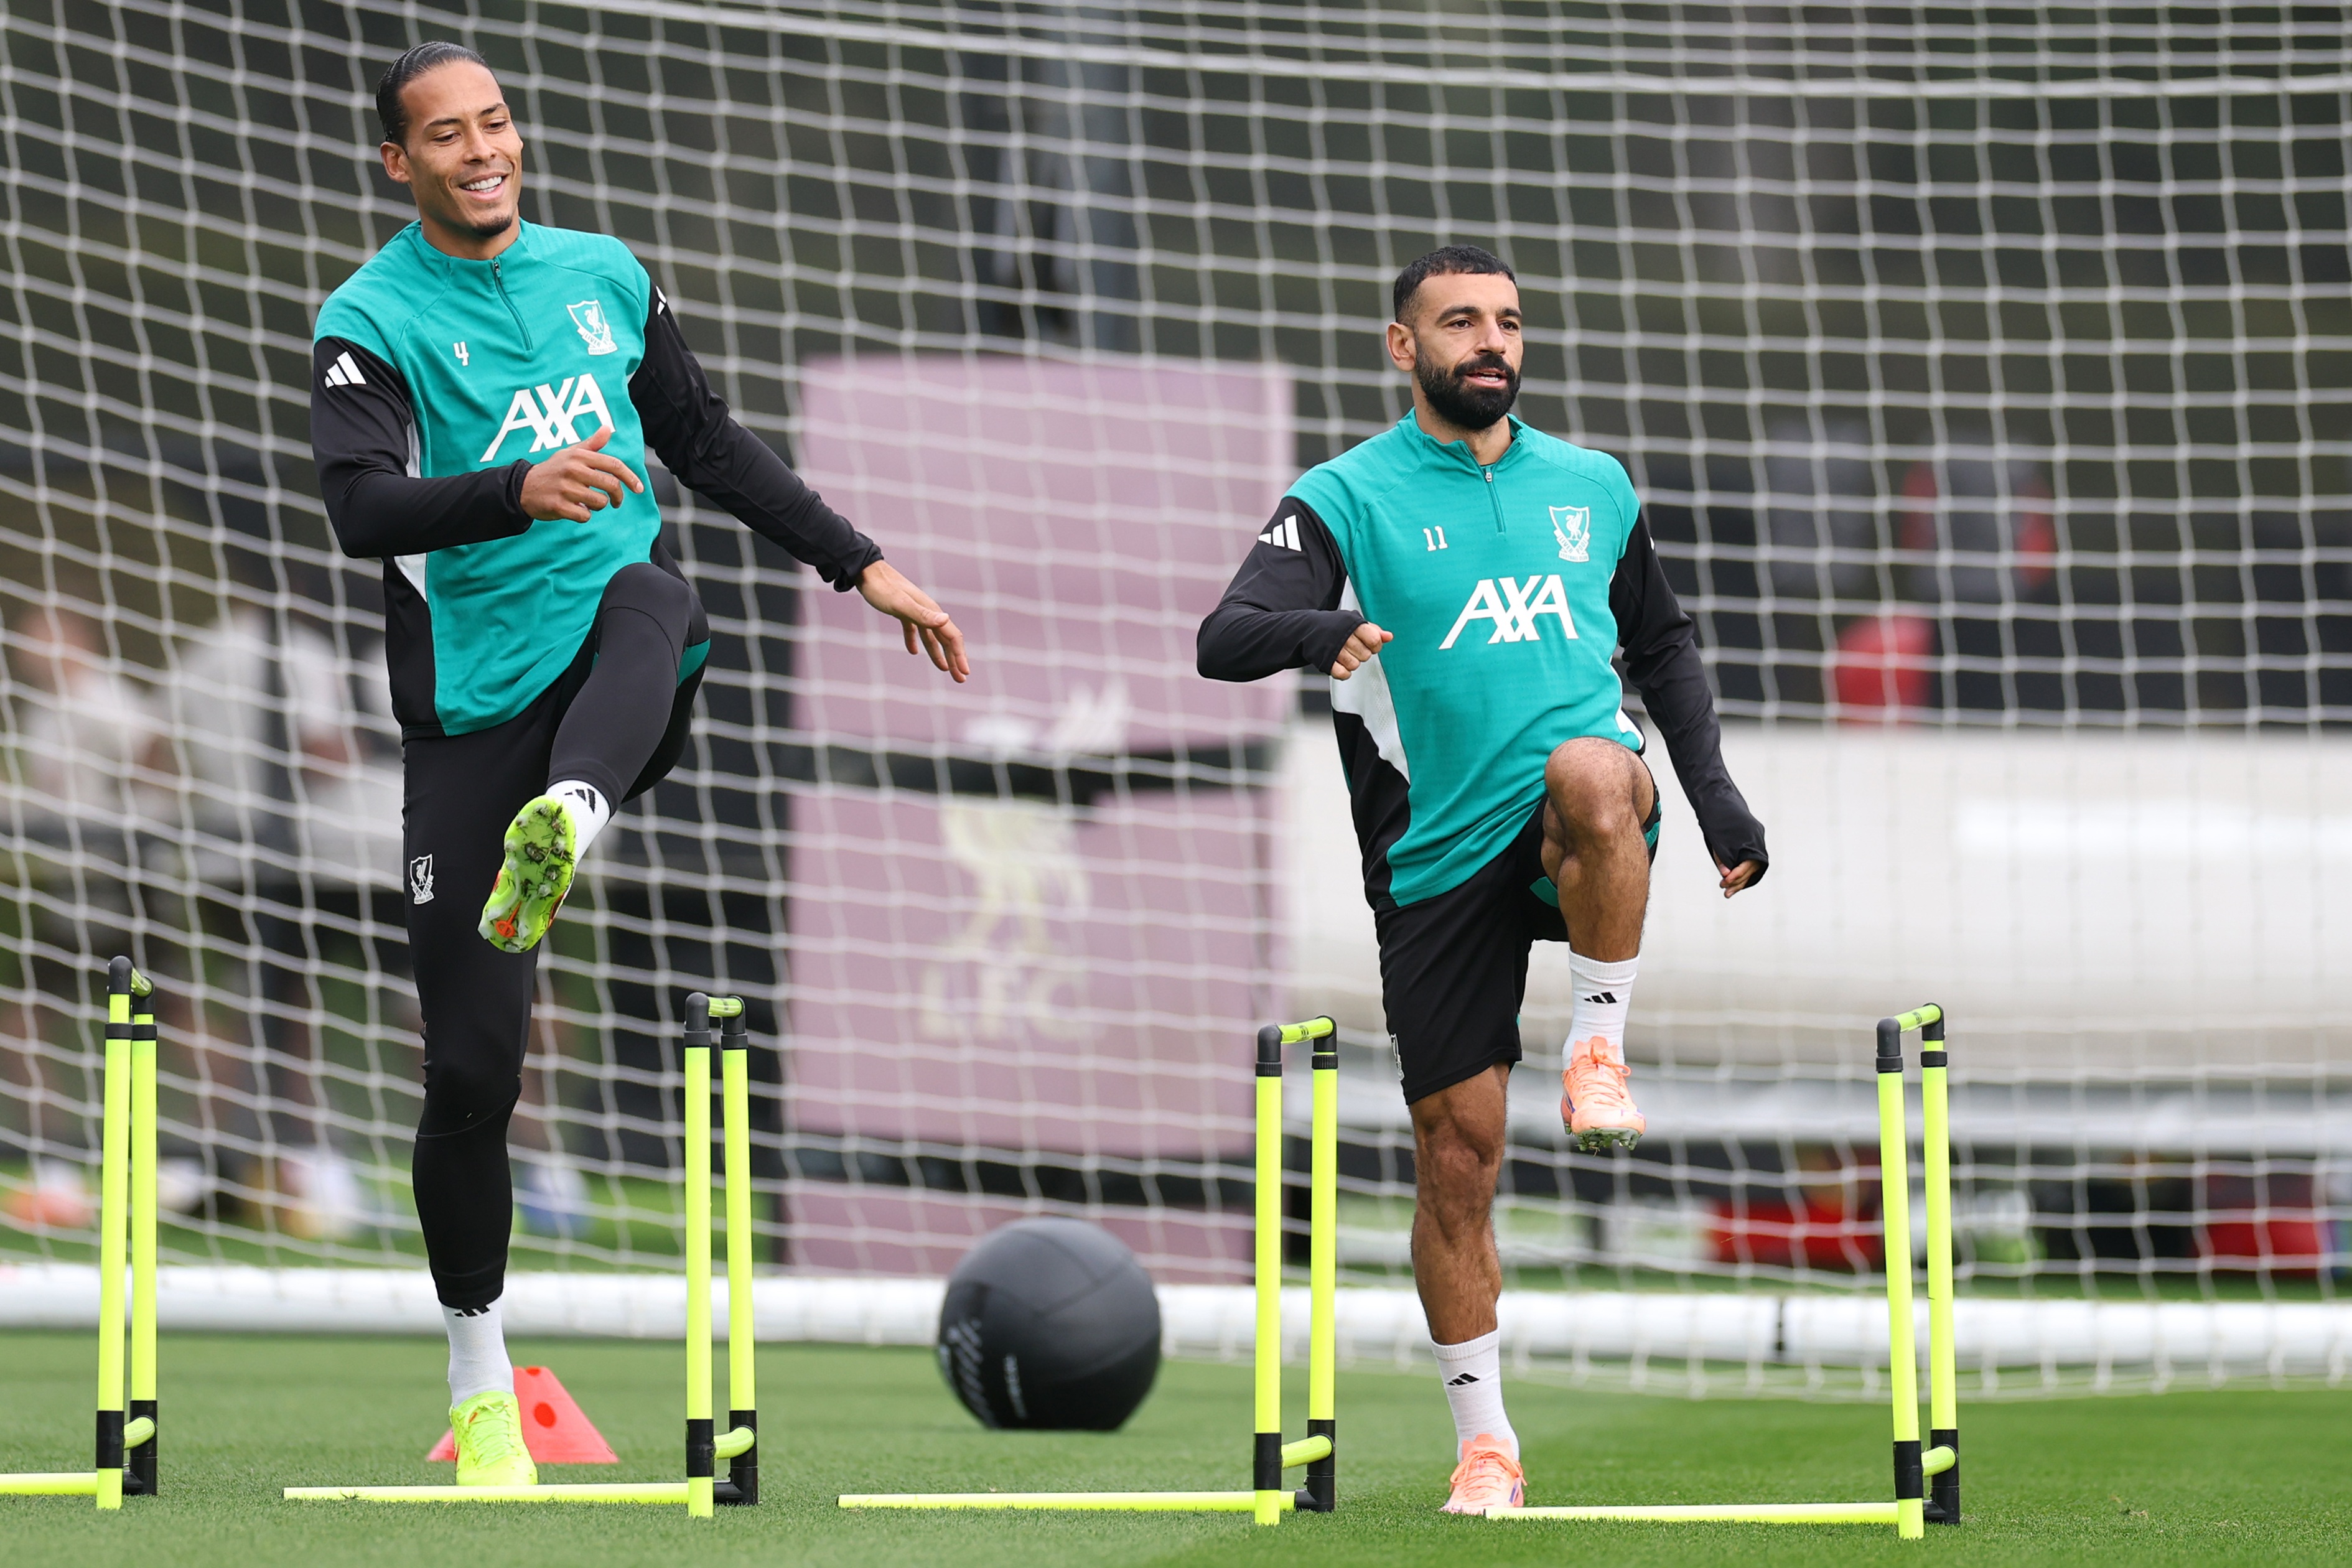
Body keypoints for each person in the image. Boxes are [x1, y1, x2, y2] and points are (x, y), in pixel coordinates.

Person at [309, 40, 969, 1486]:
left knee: (660, 591)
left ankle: (579, 811)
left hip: (616, 692)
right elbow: (361, 509)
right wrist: (512, 491)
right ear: (399, 164)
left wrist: (866, 570)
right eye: (446, 135)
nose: (481, 149)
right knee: (474, 1071)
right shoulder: (368, 320)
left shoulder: (604, 271)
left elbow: (706, 444)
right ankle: (480, 1381)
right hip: (472, 715)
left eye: (496, 123)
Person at [1197, 246, 1766, 1514]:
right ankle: (1487, 1443)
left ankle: (1598, 1047)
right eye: (1460, 324)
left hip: (1578, 815)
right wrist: (1319, 629)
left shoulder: (1594, 485)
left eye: (1507, 321)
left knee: (1592, 768)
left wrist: (1718, 797)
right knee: (1459, 1156)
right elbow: (1222, 638)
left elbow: (1662, 646)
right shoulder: (1345, 498)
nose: (1489, 342)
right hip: (1434, 855)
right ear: (1406, 349)